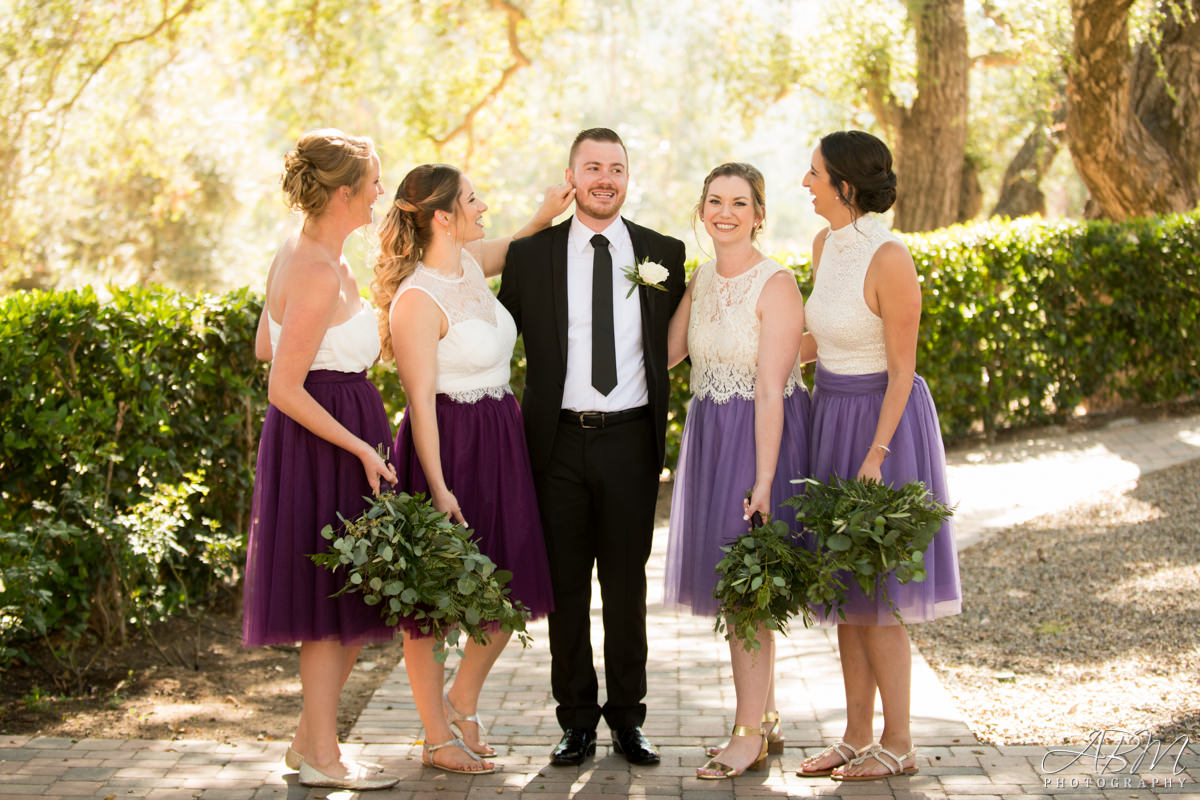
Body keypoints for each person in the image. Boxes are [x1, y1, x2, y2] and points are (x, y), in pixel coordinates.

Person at [372, 164, 573, 774]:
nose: (482, 206)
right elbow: (420, 405)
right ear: (441, 216)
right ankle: (436, 738)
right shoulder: (415, 300)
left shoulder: (468, 263)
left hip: (500, 438)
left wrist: (546, 212)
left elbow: (516, 242)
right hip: (448, 448)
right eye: (471, 199)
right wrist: (438, 487)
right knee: (433, 601)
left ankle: (461, 700)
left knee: (507, 590)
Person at [497, 128, 686, 767]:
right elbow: (488, 321)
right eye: (592, 167)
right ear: (571, 176)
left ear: (628, 177)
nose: (605, 178)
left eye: (616, 167)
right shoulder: (531, 256)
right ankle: (575, 720)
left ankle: (628, 719)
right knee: (567, 588)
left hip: (631, 440)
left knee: (627, 587)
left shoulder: (665, 253)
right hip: (555, 445)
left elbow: (682, 339)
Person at [795, 130, 962, 782]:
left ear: (845, 183)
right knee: (845, 594)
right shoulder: (823, 245)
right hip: (829, 415)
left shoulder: (890, 257)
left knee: (878, 596)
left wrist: (876, 452)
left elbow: (902, 369)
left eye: (812, 173)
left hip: (881, 428)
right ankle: (855, 735)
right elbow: (821, 341)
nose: (804, 183)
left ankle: (899, 742)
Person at [242, 129, 399, 791]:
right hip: (328, 447)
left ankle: (309, 739)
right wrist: (360, 442)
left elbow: (261, 344)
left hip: (332, 437)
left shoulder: (308, 255)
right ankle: (323, 759)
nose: (380, 195)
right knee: (332, 607)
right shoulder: (313, 267)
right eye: (372, 184)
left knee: (354, 603)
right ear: (342, 192)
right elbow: (280, 382)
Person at [661, 163, 810, 779]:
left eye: (739, 202)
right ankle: (766, 717)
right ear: (701, 211)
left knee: (747, 588)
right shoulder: (700, 278)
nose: (726, 212)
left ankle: (746, 732)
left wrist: (767, 478)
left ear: (758, 214)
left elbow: (772, 391)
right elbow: (669, 354)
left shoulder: (775, 284)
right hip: (710, 435)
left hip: (757, 439)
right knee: (739, 585)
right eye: (715, 201)